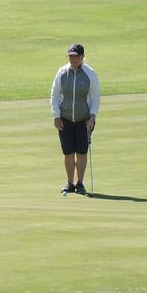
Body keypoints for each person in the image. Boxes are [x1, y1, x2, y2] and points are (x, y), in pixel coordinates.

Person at [51, 43, 100, 195]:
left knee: (81, 152)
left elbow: (95, 97)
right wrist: (56, 115)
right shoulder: (62, 72)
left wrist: (92, 116)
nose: (73, 59)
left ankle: (80, 183)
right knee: (68, 153)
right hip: (65, 119)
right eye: (70, 56)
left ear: (82, 57)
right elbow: (55, 94)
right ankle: (70, 183)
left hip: (83, 120)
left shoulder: (89, 73)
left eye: (76, 56)